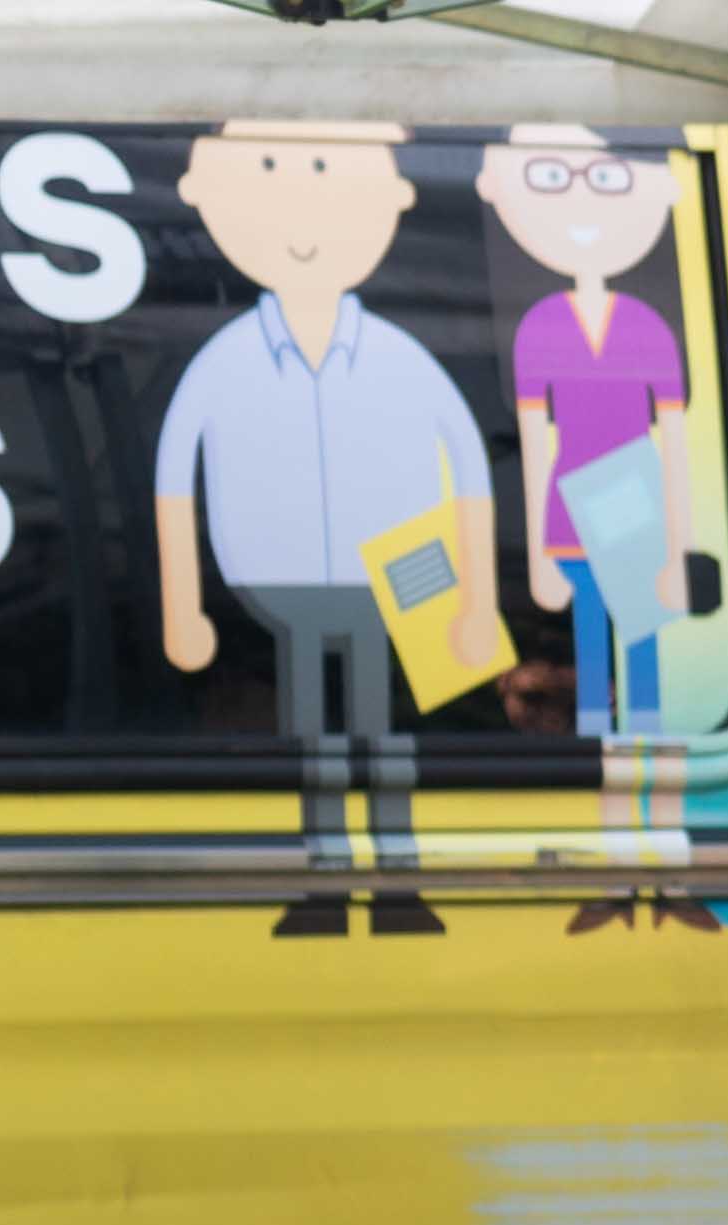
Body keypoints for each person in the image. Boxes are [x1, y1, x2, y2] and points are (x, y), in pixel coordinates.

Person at [154, 122, 501, 937]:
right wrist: (183, 608)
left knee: (385, 739)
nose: (302, 211)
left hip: (401, 575)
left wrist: (478, 602)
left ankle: (398, 882)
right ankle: (320, 879)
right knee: (310, 739)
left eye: (322, 172)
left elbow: (472, 475)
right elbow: (175, 478)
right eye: (271, 172)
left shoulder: (399, 354)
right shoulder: (226, 359)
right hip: (282, 588)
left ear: (396, 195)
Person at [477, 123, 707, 926]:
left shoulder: (648, 326)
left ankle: (663, 870)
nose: (579, 209)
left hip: (637, 514)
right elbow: (539, 439)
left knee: (651, 696)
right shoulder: (542, 326)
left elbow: (669, 437)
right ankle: (618, 873)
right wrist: (543, 548)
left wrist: (674, 546)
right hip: (576, 522)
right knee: (600, 707)